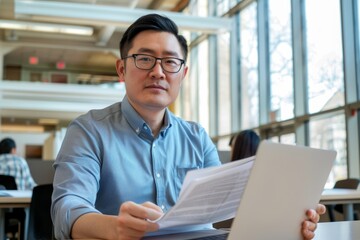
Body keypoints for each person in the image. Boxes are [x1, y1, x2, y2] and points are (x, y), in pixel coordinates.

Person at [51, 13, 325, 240]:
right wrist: (115, 227)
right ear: (121, 69)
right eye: (145, 59)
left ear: (183, 73)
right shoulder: (88, 130)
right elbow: (67, 208)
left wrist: (288, 220)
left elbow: (223, 209)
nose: (158, 71)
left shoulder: (197, 136)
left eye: (170, 62)